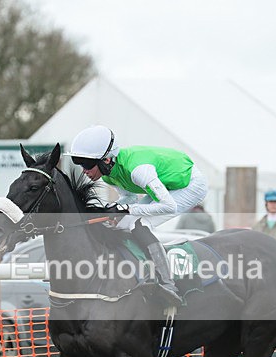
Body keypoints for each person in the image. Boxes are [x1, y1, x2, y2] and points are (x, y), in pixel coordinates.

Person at [66, 125, 208, 307]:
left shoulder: (138, 170)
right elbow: (130, 197)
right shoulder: (108, 174)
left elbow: (167, 205)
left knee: (139, 223)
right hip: (168, 184)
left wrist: (125, 209)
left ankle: (168, 283)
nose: (84, 170)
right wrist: (113, 208)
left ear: (107, 160)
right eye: (79, 163)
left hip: (190, 185)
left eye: (86, 164)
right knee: (121, 223)